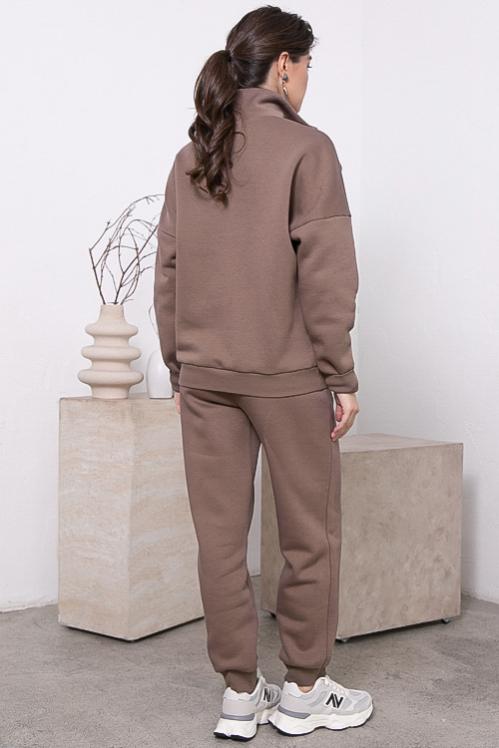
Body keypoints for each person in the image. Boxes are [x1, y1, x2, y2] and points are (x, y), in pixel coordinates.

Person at [153, 5, 373, 740]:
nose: (307, 79)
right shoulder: (308, 149)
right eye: (306, 65)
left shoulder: (191, 156)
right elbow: (328, 275)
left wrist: (180, 368)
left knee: (218, 543)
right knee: (308, 537)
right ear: (283, 64)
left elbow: (167, 271)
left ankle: (239, 697)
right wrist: (339, 375)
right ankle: (304, 691)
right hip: (289, 379)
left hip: (205, 379)